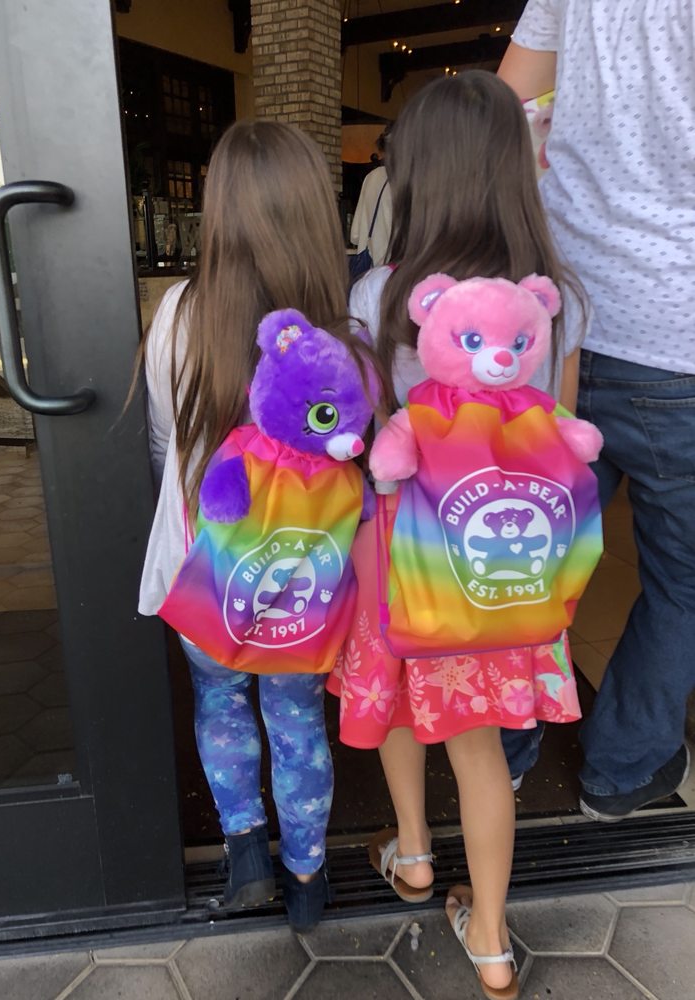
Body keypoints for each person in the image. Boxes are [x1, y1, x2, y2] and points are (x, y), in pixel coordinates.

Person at [328, 71, 588, 1000]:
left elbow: (368, 439)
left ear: (419, 174)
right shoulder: (555, 301)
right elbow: (560, 434)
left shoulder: (383, 297)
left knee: (400, 702)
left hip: (401, 549)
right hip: (500, 559)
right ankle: (490, 941)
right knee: (478, 747)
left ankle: (412, 854)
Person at [137, 121, 357, 933]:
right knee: (296, 715)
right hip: (302, 569)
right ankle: (307, 877)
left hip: (208, 561)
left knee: (219, 697)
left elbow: (164, 441)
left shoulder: (180, 313)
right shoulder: (343, 329)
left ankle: (245, 856)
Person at [498, 0, 694, 822]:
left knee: (528, 554)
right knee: (683, 580)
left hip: (561, 320)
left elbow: (502, 104)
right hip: (680, 338)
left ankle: (498, 755)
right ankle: (622, 767)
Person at [350, 127, 393, 268]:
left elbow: (355, 235)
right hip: (396, 269)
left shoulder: (371, 178)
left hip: (371, 269)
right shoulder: (408, 179)